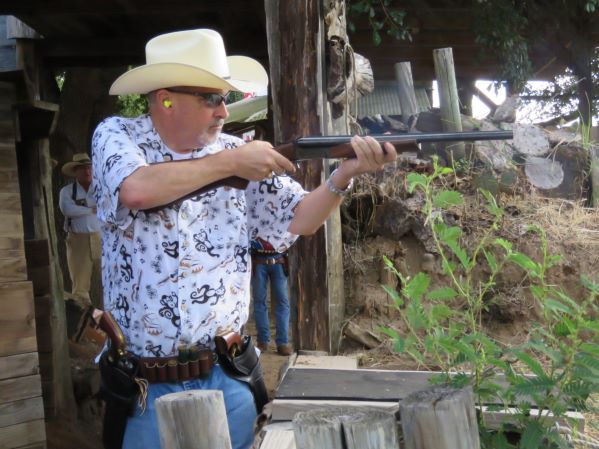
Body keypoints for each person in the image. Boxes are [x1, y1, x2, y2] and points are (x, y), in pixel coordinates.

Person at [92, 28, 397, 449]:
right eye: (210, 98)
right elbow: (136, 190)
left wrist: (344, 175)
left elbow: (301, 219)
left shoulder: (238, 153)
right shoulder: (118, 135)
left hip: (226, 372)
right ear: (165, 99)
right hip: (143, 384)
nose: (223, 110)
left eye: (225, 97)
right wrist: (230, 162)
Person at [59, 153, 101, 308]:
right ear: (75, 171)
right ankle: (86, 320)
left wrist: (81, 209)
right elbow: (67, 210)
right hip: (78, 240)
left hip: (102, 238)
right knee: (80, 288)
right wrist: (91, 210)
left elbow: (107, 206)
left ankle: (111, 319)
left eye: (89, 168)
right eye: (83, 168)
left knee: (111, 280)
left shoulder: (101, 188)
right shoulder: (67, 191)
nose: (87, 171)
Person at [251, 238, 292, 356]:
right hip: (258, 259)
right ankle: (262, 341)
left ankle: (282, 343)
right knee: (259, 301)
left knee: (282, 302)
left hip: (279, 258)